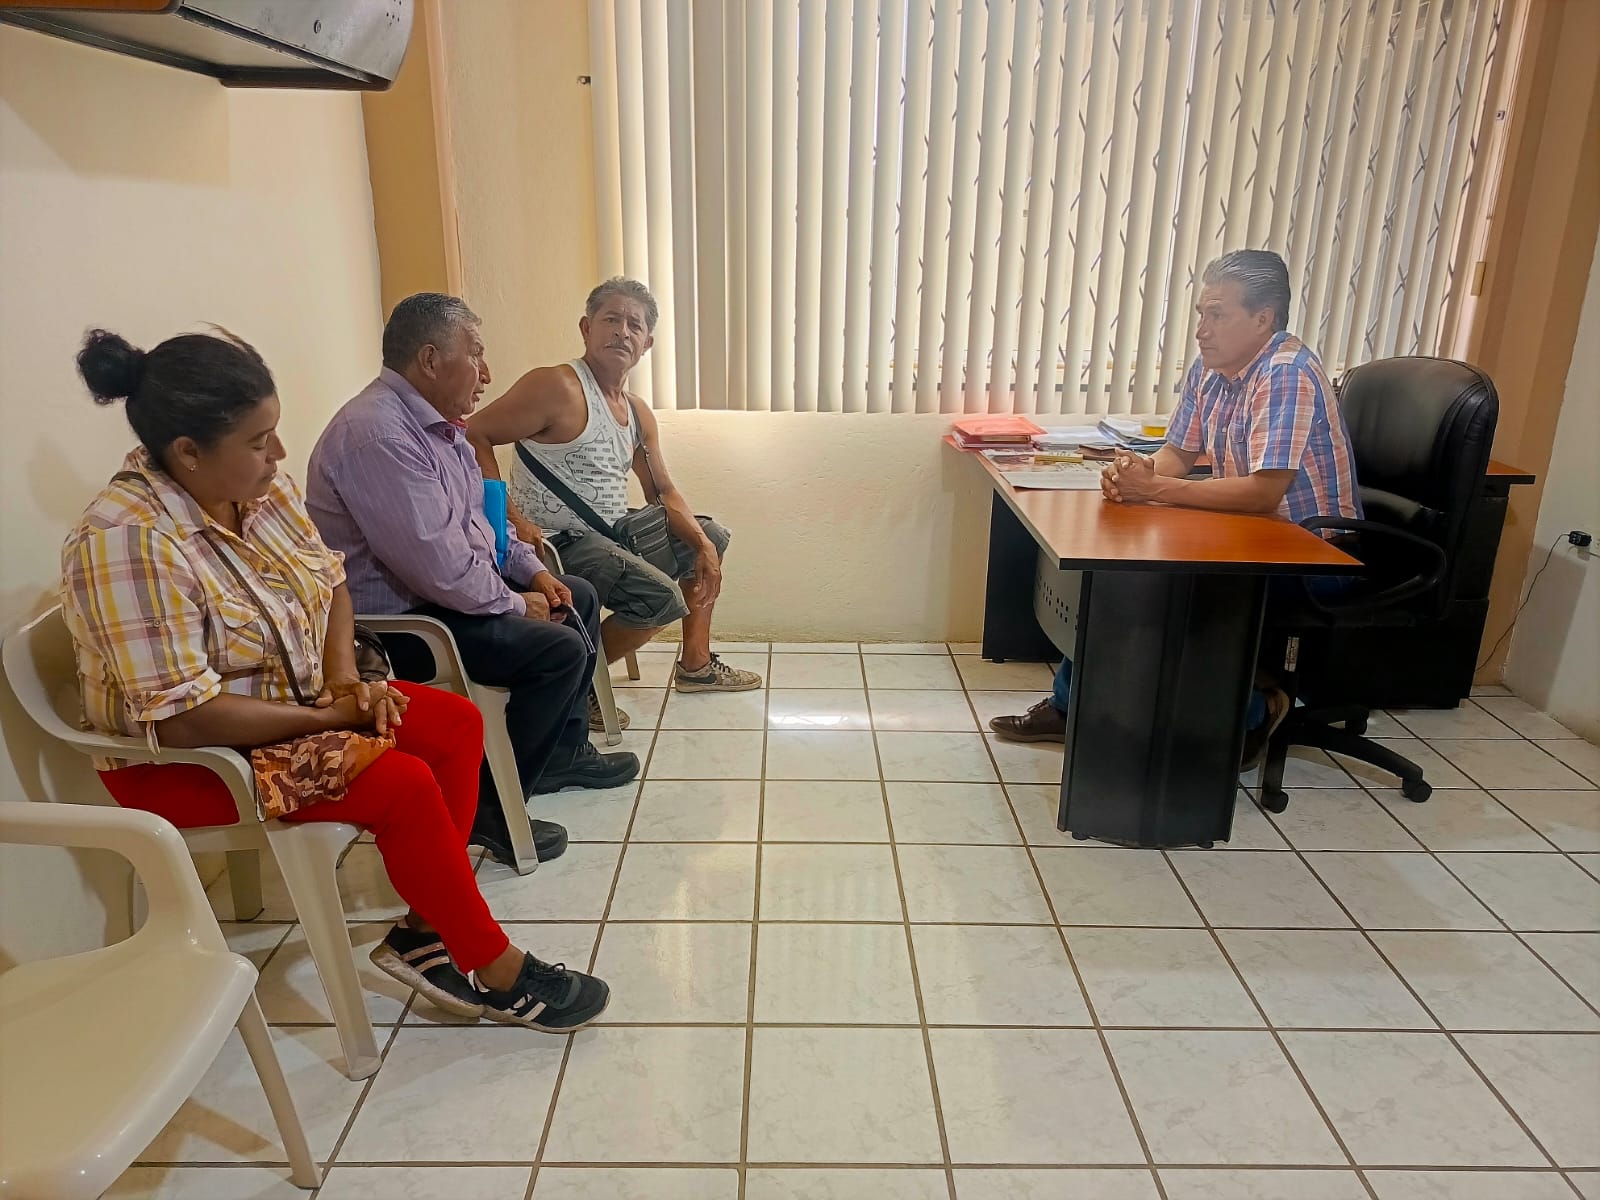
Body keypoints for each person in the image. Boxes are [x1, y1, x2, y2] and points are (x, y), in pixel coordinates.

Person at [61, 326, 609, 1030]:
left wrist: (344, 679)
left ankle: (423, 934)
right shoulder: (127, 541)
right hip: (187, 760)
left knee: (454, 724)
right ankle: (494, 965)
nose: (279, 455)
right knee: (402, 784)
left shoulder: (254, 491)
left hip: (293, 704)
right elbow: (184, 717)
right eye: (259, 442)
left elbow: (331, 580)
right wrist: (330, 718)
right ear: (189, 452)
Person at [989, 249, 1361, 767]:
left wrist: (1156, 489)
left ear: (1263, 319)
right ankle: (1071, 707)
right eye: (1201, 315)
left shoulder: (1286, 374)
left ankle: (1256, 711)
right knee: (1115, 576)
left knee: (1164, 593)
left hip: (1312, 553)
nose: (1202, 331)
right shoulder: (1212, 368)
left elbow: (1263, 492)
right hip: (1250, 536)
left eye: (1217, 315)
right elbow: (1178, 454)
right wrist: (1134, 476)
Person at [306, 294, 639, 868]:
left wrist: (534, 572)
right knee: (556, 651)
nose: (486, 374)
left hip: (443, 598)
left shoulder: (441, 428)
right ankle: (488, 808)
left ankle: (561, 755)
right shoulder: (379, 435)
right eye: (477, 356)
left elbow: (482, 526)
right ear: (430, 359)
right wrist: (516, 604)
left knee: (577, 595)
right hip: (401, 626)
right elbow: (438, 568)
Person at [466, 277, 761, 732]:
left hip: (610, 533)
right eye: (611, 320)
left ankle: (696, 665)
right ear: (587, 328)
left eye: (634, 325)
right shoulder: (557, 386)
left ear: (647, 343)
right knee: (659, 600)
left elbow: (663, 491)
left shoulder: (636, 410)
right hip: (557, 543)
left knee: (710, 536)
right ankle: (575, 684)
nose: (622, 331)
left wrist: (703, 546)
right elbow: (475, 433)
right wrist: (512, 518)